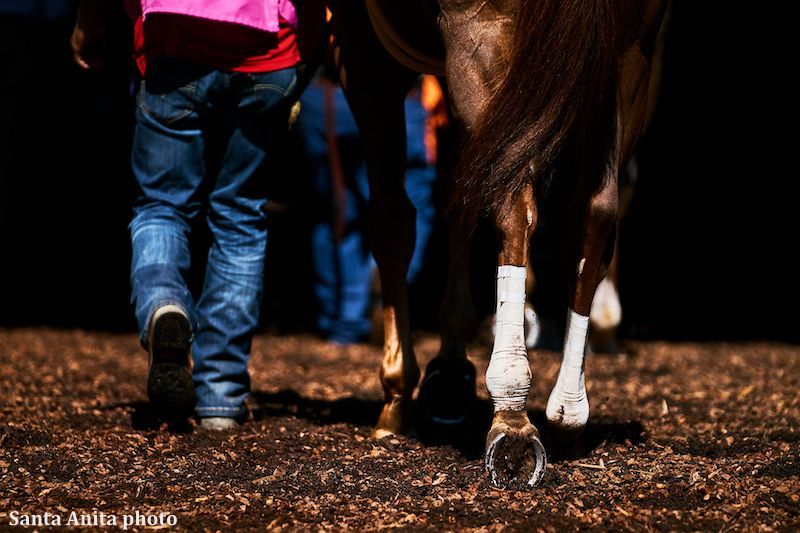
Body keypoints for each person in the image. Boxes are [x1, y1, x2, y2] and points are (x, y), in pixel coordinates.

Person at [71, 0, 305, 429]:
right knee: (241, 218)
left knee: (163, 206)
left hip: (176, 40)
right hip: (267, 52)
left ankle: (165, 306)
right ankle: (222, 396)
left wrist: (90, 19)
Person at [296, 70, 440, 344]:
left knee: (338, 210)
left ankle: (346, 322)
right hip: (401, 93)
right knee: (408, 199)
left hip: (327, 92)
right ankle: (390, 279)